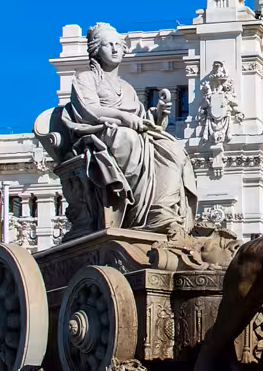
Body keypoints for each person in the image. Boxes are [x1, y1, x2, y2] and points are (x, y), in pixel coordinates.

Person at [51, 22, 197, 234]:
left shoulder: (126, 88)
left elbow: (141, 119)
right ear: (95, 50)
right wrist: (122, 117)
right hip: (98, 134)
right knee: (127, 138)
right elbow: (88, 111)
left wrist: (159, 114)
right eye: (108, 45)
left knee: (172, 148)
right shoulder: (85, 79)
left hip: (130, 135)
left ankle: (159, 211)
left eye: (118, 44)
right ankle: (134, 211)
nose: (115, 49)